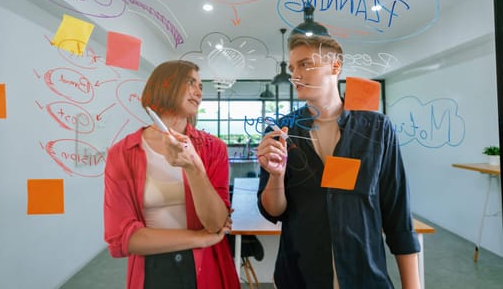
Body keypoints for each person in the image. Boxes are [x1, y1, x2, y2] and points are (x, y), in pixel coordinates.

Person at [256, 32, 421, 288]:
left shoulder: (376, 129)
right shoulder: (281, 131)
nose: (295, 75)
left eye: (305, 64)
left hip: (365, 276)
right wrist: (276, 176)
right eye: (292, 68)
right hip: (301, 277)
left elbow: (398, 213)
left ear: (335, 66)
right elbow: (272, 210)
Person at [104, 60, 240, 289]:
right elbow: (122, 238)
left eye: (201, 86)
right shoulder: (122, 153)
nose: (198, 92)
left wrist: (193, 168)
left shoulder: (213, 148)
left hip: (205, 266)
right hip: (152, 270)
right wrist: (198, 238)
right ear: (164, 85)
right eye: (191, 82)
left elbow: (216, 223)